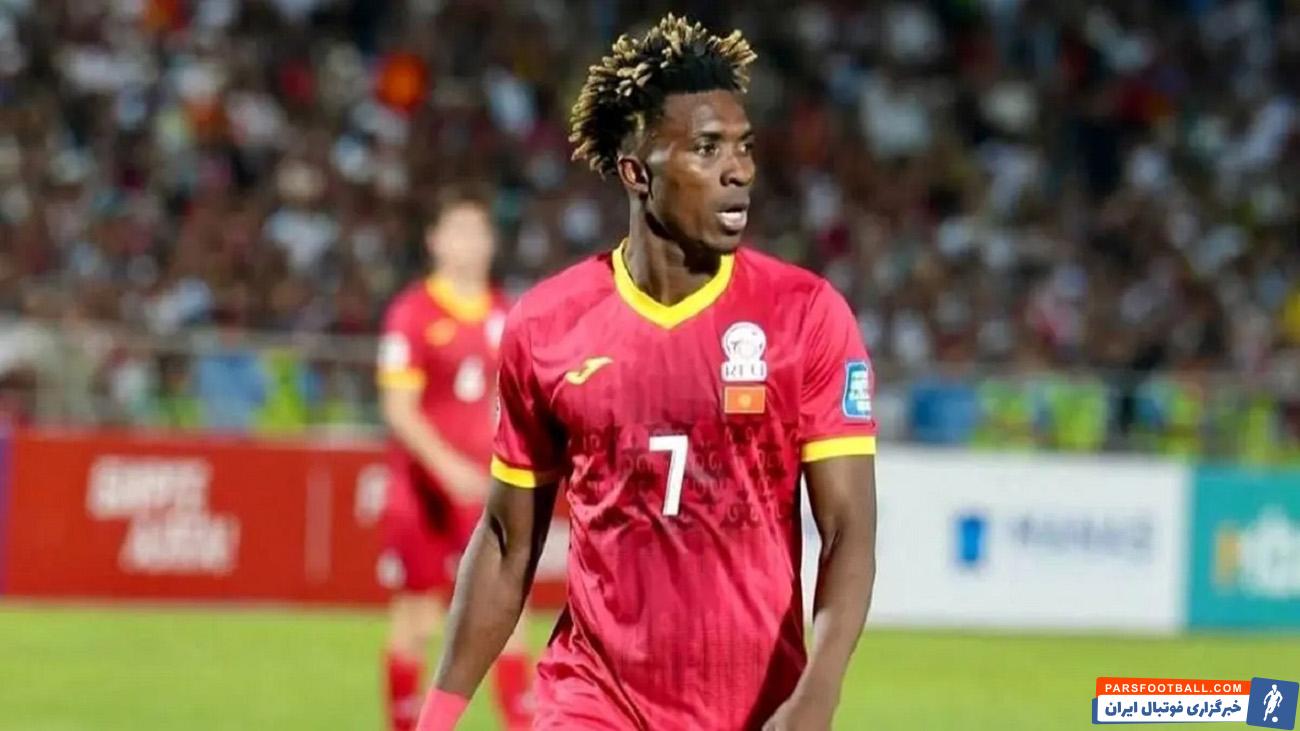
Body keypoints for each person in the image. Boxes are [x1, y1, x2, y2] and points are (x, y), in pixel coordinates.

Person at [418, 15, 878, 731]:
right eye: (707, 148)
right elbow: (508, 542)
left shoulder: (805, 316)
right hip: (591, 699)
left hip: (753, 705)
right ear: (637, 172)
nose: (740, 170)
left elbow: (848, 528)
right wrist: (436, 718)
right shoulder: (547, 325)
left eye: (745, 147)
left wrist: (819, 689)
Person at [376, 187, 533, 731]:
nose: (469, 243)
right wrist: (446, 469)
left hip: (487, 488)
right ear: (435, 241)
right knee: (417, 617)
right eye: (458, 231)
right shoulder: (412, 313)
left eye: (478, 232)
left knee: (507, 613)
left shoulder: (508, 315)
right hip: (422, 487)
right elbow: (398, 408)